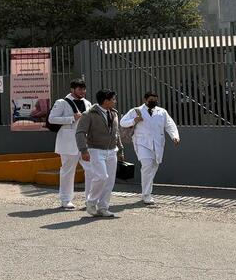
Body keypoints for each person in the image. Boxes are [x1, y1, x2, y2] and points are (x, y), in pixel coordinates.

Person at [120, 91, 180, 205]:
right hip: (142, 143)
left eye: (155, 100)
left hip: (157, 143)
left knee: (153, 167)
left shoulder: (162, 112)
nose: (153, 102)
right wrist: (134, 120)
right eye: (151, 100)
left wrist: (175, 136)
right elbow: (122, 122)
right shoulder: (136, 111)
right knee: (147, 165)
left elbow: (170, 124)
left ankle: (146, 190)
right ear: (145, 100)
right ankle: (146, 194)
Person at [74, 89, 124, 218]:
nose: (115, 101)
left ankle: (103, 207)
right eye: (113, 99)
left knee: (110, 181)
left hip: (112, 150)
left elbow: (116, 132)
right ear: (106, 101)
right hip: (95, 150)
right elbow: (80, 132)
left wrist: (120, 149)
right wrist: (83, 150)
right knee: (102, 177)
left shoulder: (114, 113)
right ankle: (91, 202)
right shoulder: (89, 114)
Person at [48, 79, 90, 211]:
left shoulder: (87, 103)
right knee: (67, 171)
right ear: (72, 89)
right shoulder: (61, 102)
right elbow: (51, 119)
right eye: (79, 89)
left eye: (84, 89)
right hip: (68, 142)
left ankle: (90, 199)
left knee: (91, 170)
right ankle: (65, 199)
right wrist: (72, 118)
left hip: (84, 142)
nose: (83, 92)